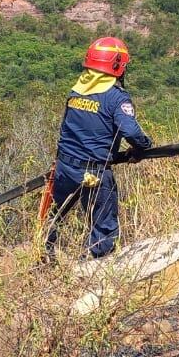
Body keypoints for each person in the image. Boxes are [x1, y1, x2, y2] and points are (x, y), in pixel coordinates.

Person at [45, 36, 152, 260]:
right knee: (103, 227)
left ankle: (44, 258)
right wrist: (143, 147)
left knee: (54, 218)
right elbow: (131, 132)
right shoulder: (115, 97)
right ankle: (95, 270)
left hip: (65, 167)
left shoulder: (77, 92)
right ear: (117, 66)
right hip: (93, 172)